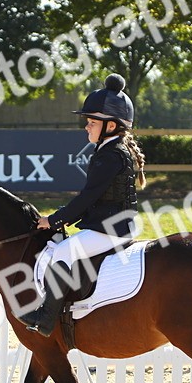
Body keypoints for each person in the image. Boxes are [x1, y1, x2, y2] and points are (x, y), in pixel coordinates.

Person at [18, 73, 147, 337]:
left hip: (111, 229)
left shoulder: (110, 155)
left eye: (91, 122)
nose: (86, 127)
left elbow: (87, 197)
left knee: (63, 252)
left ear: (110, 126)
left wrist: (53, 220)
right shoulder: (112, 150)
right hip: (114, 224)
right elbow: (96, 199)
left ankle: (45, 318)